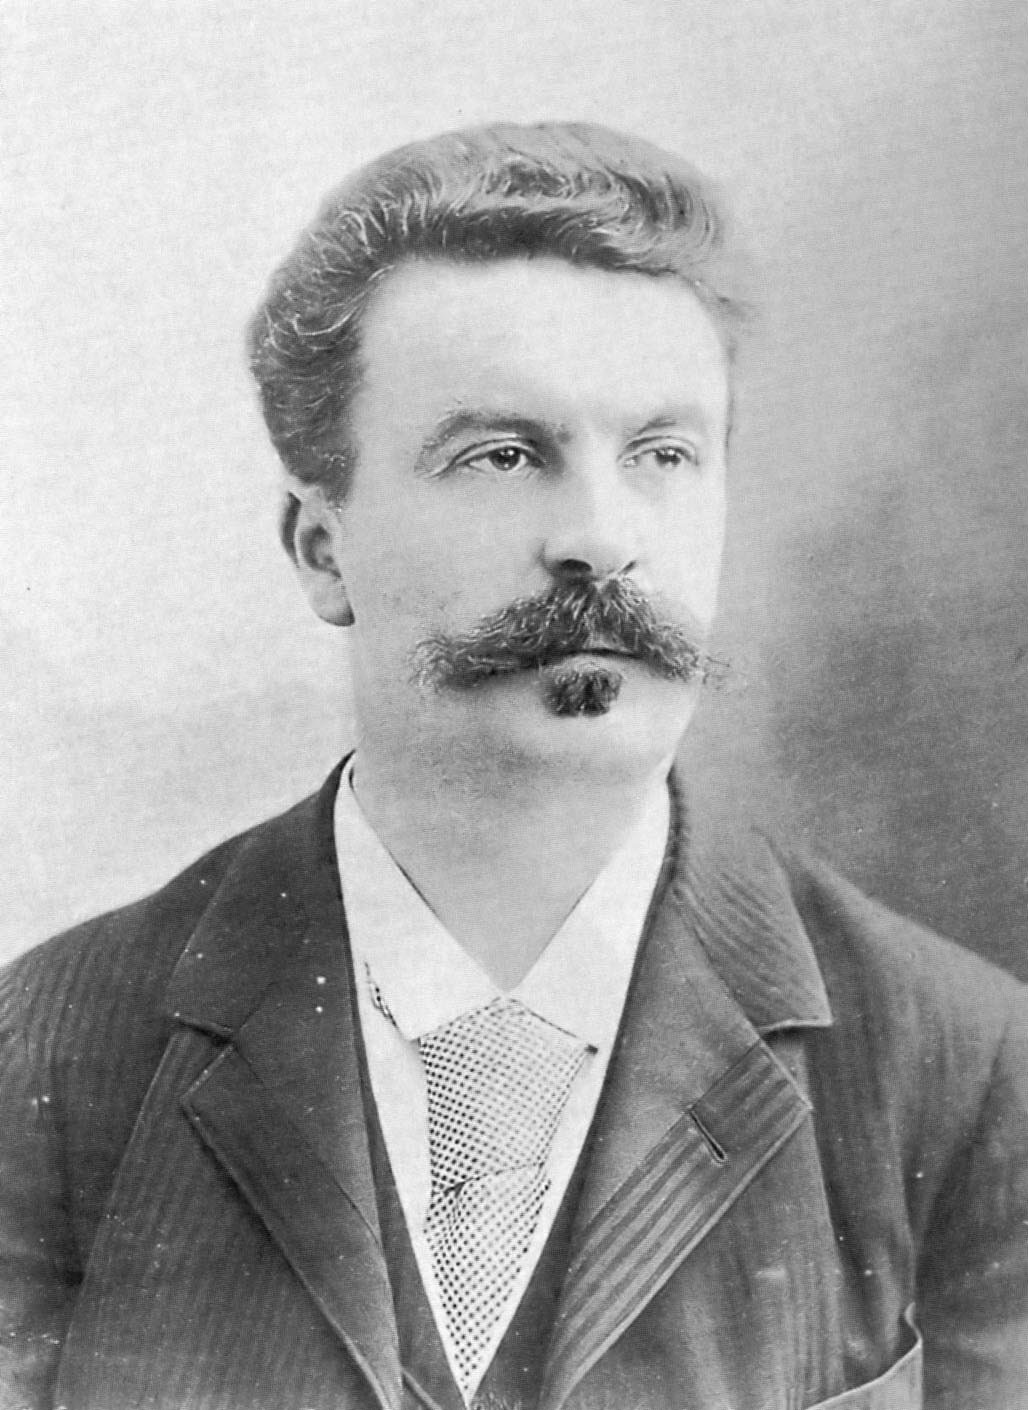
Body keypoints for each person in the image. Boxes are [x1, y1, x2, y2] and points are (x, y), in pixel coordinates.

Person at [1, 122, 1025, 1410]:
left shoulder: (968, 1071)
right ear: (322, 550)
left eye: (662, 454)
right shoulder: (47, 1056)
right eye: (502, 455)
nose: (600, 537)